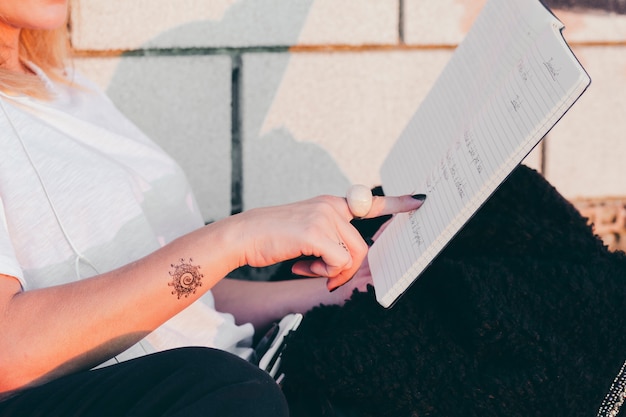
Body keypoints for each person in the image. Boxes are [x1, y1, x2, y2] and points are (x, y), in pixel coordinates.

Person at [0, 1, 426, 416]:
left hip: (248, 370)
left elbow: (187, 297)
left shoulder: (66, 86)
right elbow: (6, 353)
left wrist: (336, 291)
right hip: (216, 391)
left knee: (418, 271)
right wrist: (237, 238)